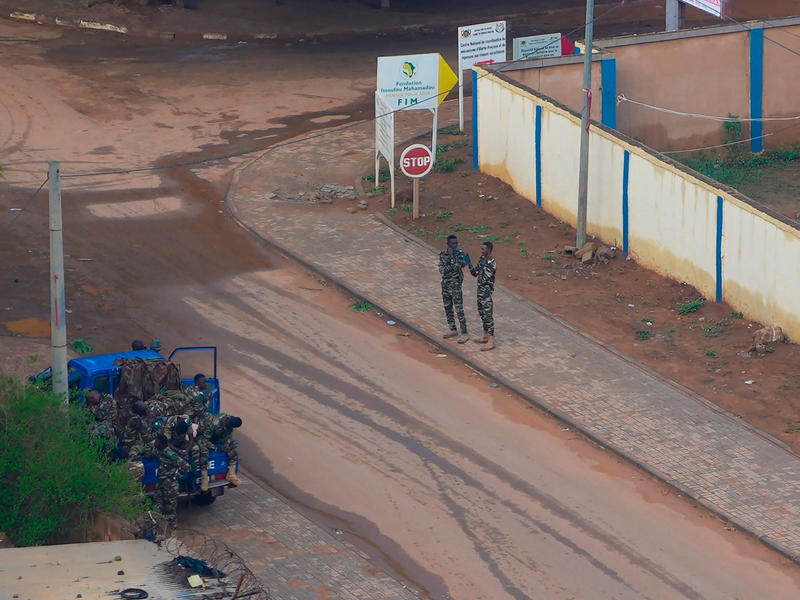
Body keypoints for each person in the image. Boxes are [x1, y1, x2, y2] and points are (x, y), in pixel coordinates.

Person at [196, 413, 243, 491]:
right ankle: (204, 477)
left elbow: (229, 435)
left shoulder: (230, 422)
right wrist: (216, 448)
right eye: (229, 426)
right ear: (228, 422)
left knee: (233, 445)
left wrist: (227, 443)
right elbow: (204, 440)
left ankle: (231, 474)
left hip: (215, 437)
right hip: (202, 436)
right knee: (204, 450)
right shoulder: (215, 424)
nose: (229, 427)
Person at [152, 434, 190, 527]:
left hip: (170, 486)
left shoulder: (170, 454)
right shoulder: (158, 450)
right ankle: (157, 527)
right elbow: (150, 452)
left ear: (161, 443)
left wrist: (176, 476)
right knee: (157, 506)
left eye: (157, 441)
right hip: (160, 484)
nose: (155, 443)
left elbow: (185, 466)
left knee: (170, 510)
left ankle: (173, 530)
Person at [439, 234, 469, 343]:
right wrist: (453, 263)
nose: (455, 245)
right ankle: (453, 329)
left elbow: (464, 263)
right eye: (452, 243)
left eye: (456, 243)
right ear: (448, 244)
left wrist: (452, 259)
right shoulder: (443, 255)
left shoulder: (460, 254)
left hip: (456, 286)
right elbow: (442, 270)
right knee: (448, 308)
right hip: (446, 285)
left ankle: (464, 332)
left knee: (459, 309)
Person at [470, 241, 498, 351]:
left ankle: (491, 339)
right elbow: (475, 273)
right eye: (481, 249)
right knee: (481, 312)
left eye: (484, 249)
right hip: (480, 291)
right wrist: (469, 264)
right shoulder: (481, 260)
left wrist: (482, 266)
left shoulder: (492, 263)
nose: (482, 251)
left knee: (488, 315)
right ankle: (485, 335)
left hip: (486, 292)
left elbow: (487, 277)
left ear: (489, 250)